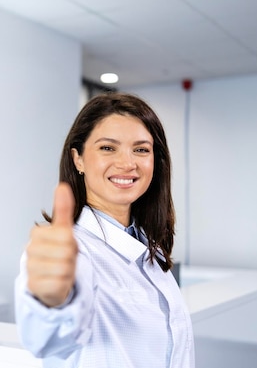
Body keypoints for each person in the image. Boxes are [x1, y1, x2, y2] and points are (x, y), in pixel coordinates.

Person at [14, 92, 194, 368]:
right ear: (78, 159)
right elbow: (48, 339)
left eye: (141, 149)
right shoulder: (75, 252)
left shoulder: (147, 247)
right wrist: (50, 302)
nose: (127, 163)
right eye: (108, 148)